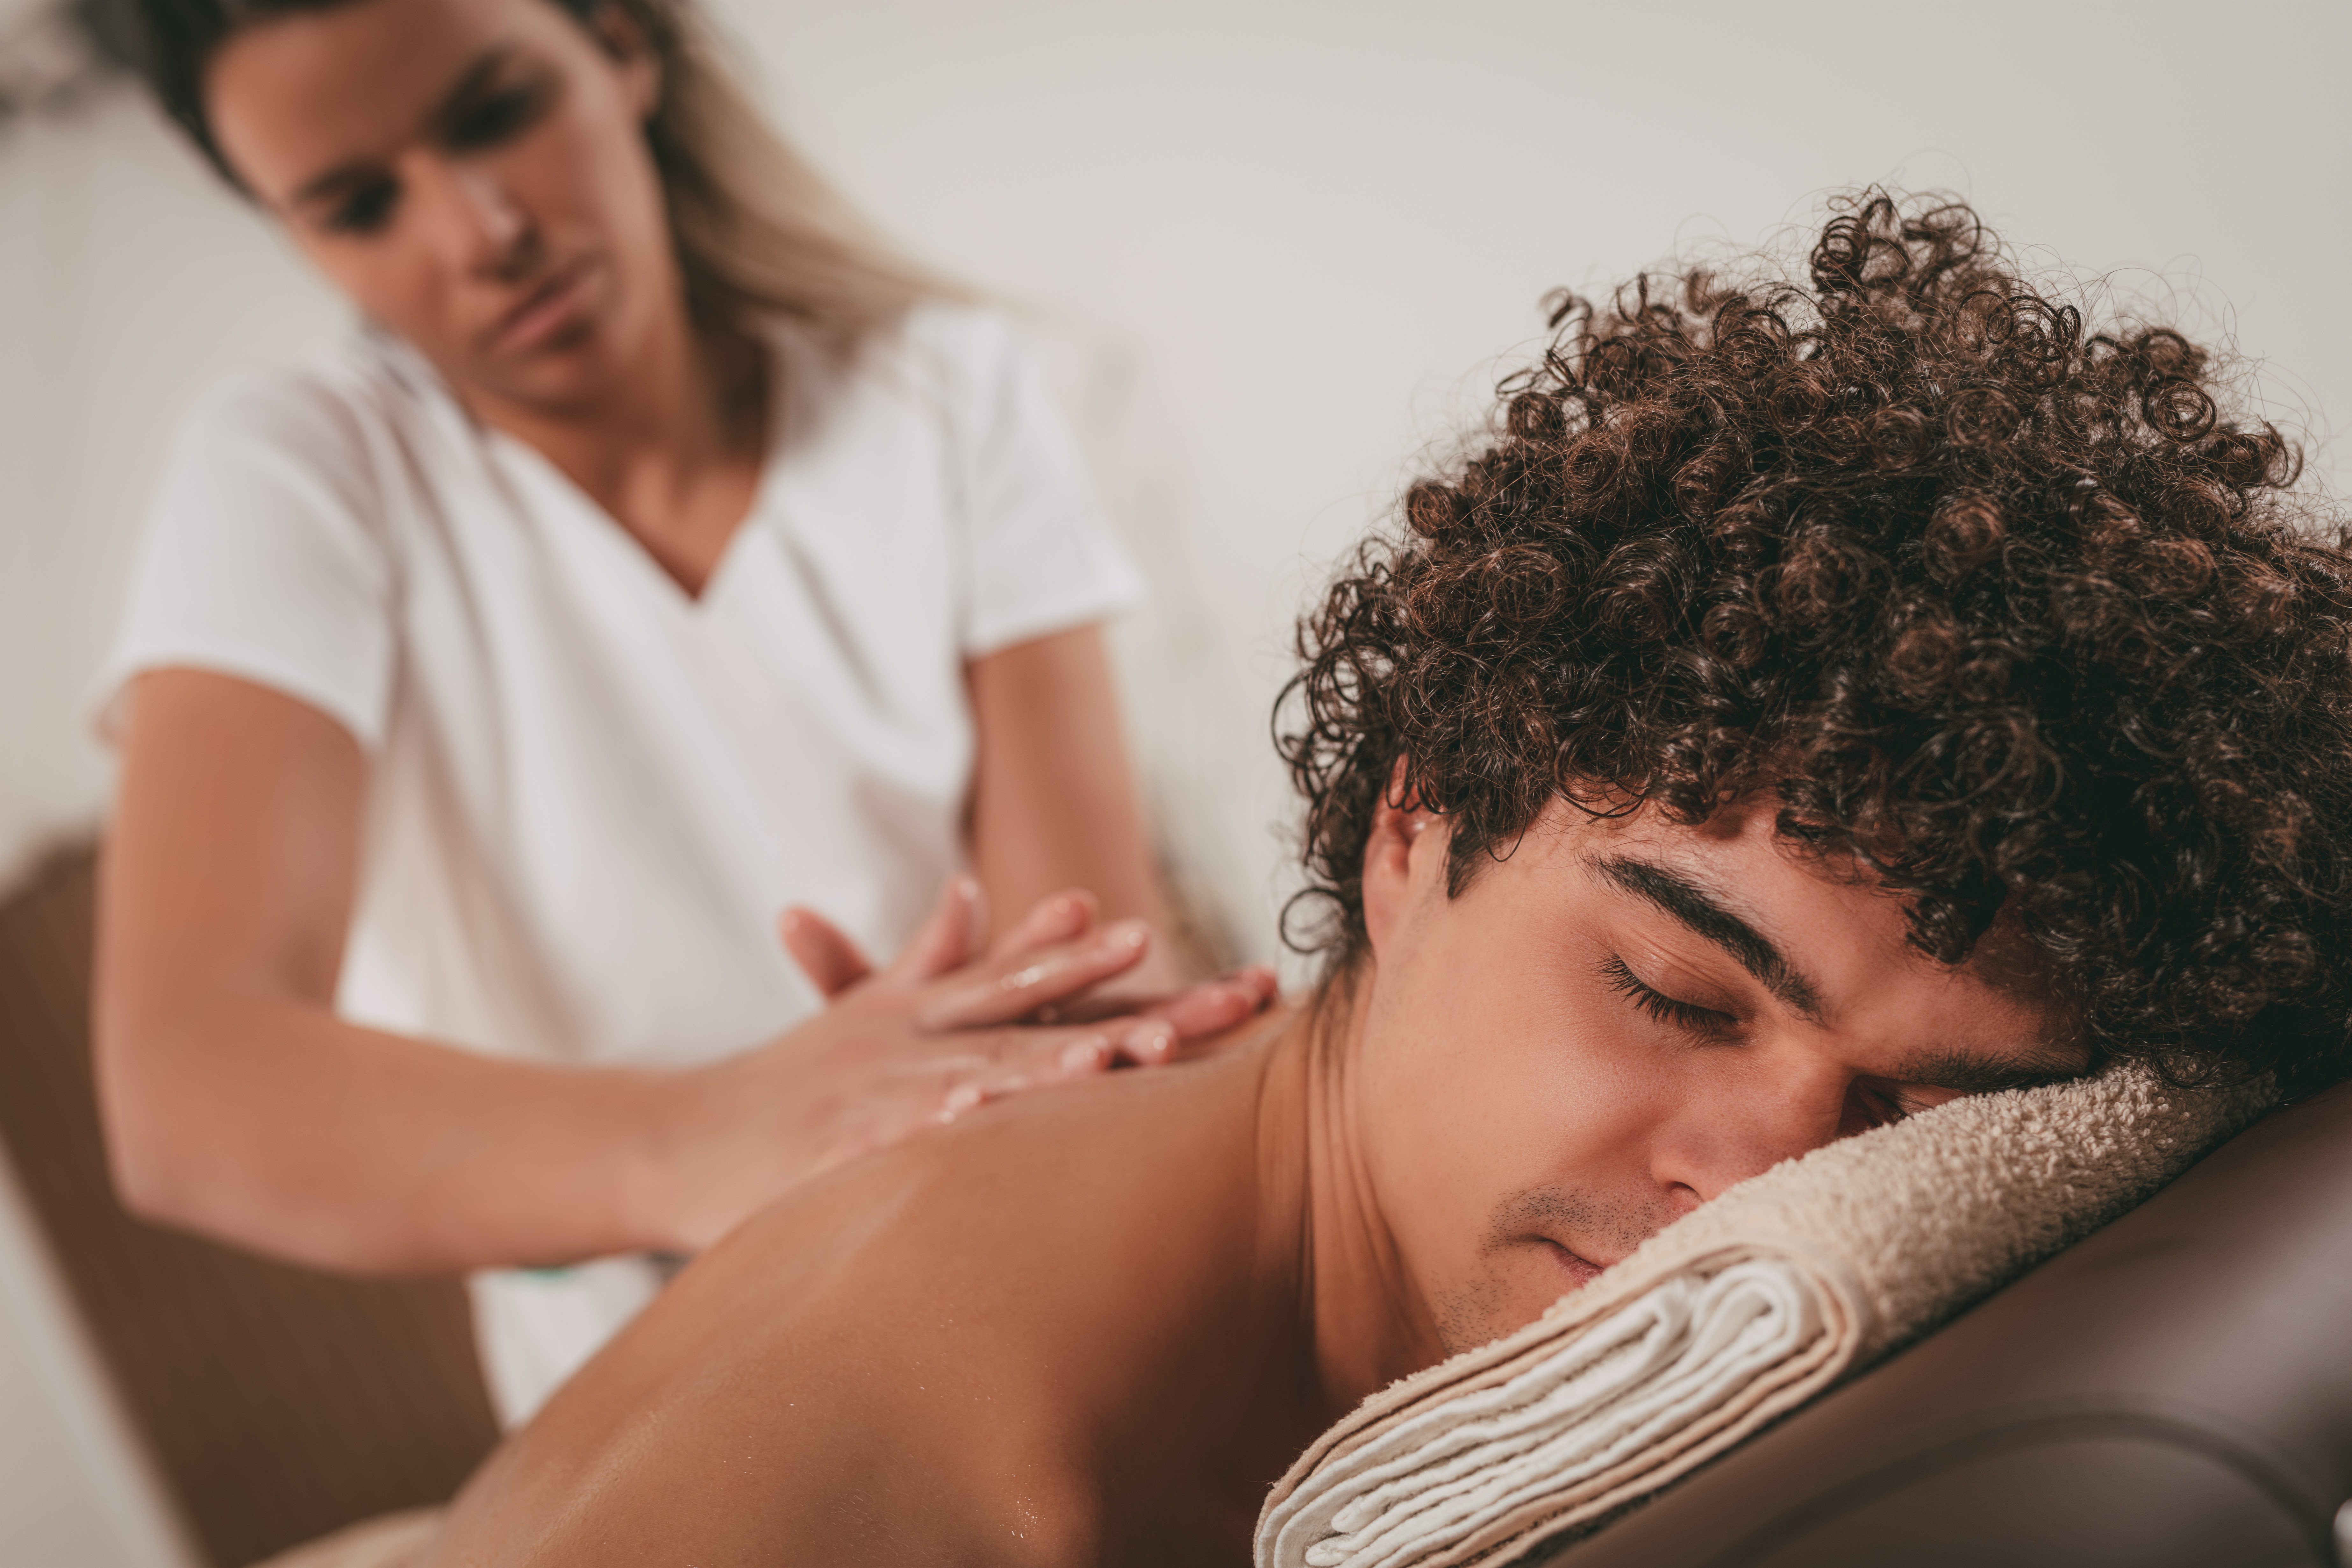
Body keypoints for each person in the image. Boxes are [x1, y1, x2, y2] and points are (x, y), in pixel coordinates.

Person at [415, 193, 2352, 1566]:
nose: (1767, 1180)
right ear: (1412, 826)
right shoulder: (968, 1493)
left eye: (1928, 1110)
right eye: (1675, 991)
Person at [91, 0, 1273, 1426]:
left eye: (493, 113)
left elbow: (1077, 977)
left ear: (619, 43)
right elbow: (187, 1085)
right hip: (661, 1401)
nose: (478, 232)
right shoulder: (300, 476)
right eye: (357, 206)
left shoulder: (943, 391)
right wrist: (730, 1130)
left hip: (1005, 1266)